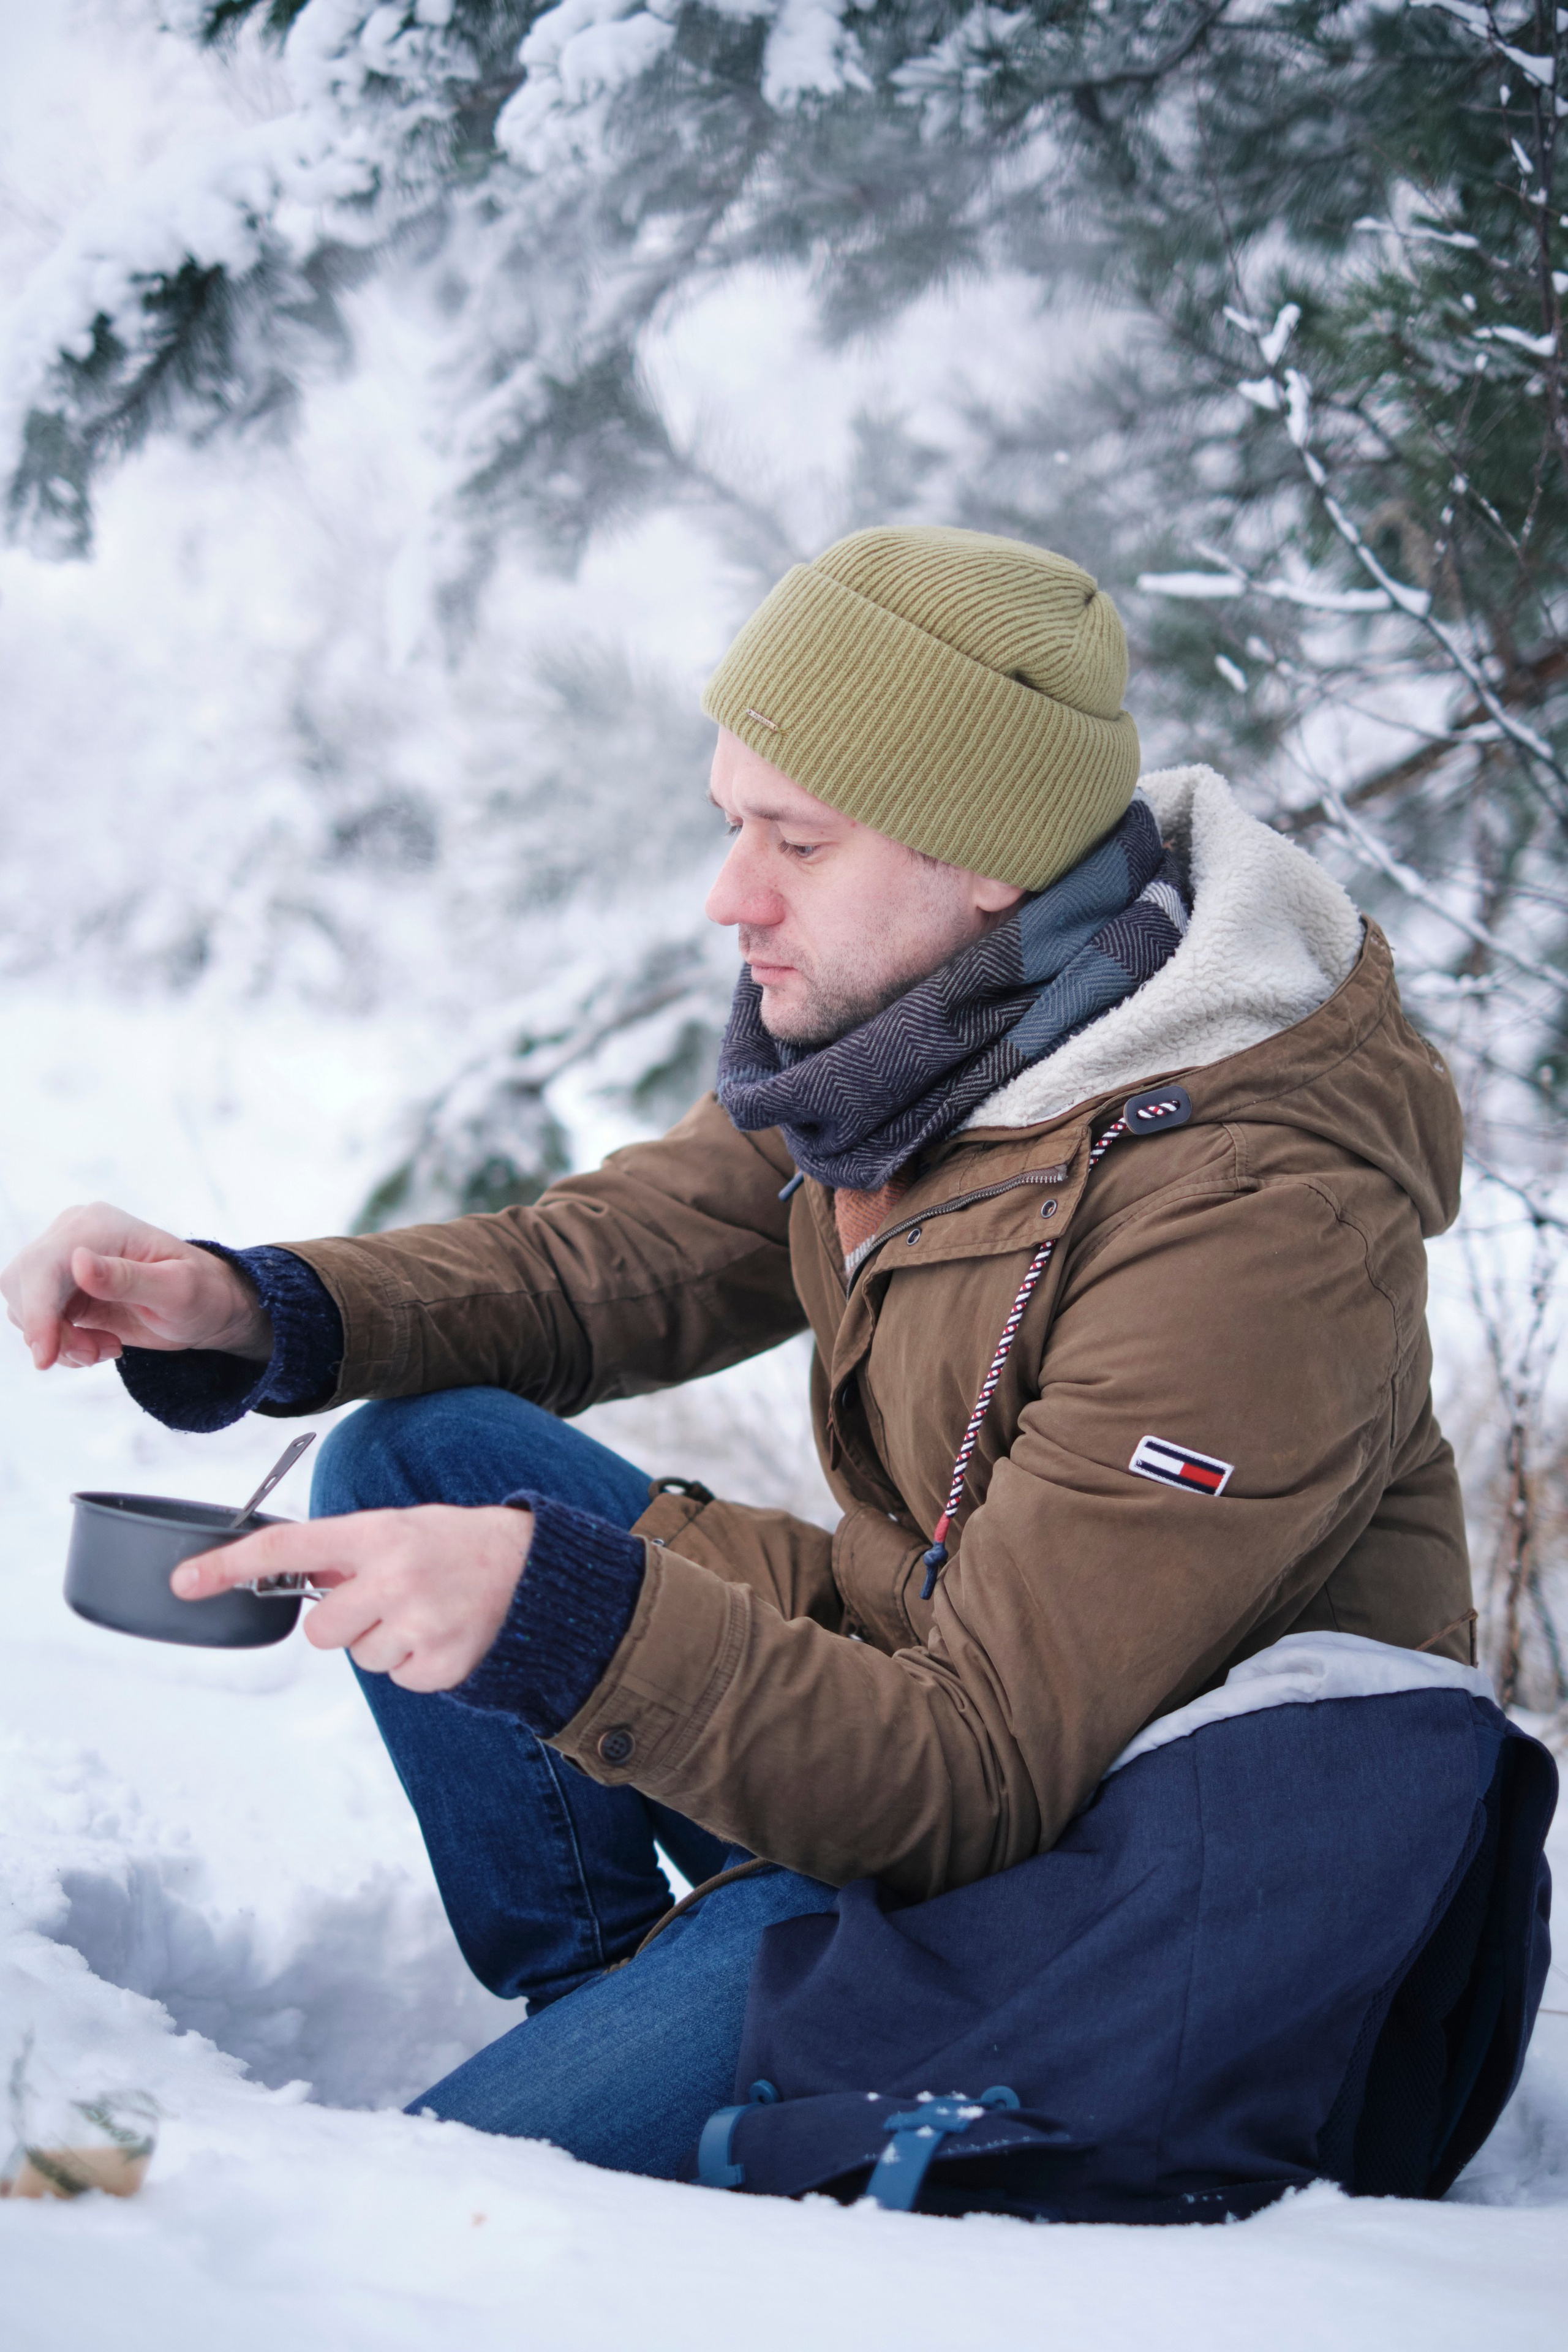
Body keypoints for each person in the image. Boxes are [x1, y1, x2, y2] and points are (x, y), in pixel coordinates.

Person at [4, 527, 1548, 2215]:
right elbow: (610, 1260)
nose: (730, 894)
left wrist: (562, 1614)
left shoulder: (1248, 1219)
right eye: (732, 820)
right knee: (419, 1449)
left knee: (433, 2207)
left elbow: (977, 1774)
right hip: (945, 1760)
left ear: (984, 863)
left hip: (1121, 1924)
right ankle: (623, 2008)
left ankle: (697, 2053)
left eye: (796, 842)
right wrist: (247, 1305)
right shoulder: (924, 1046)